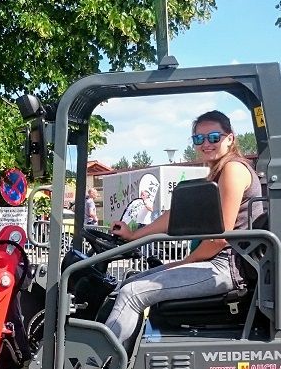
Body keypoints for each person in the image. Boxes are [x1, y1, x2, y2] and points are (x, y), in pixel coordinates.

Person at [104, 110, 260, 346]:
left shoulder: (233, 170)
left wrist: (184, 262)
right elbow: (175, 215)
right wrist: (134, 235)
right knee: (127, 283)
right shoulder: (215, 175)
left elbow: (220, 237)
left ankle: (97, 364)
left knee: (131, 293)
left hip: (226, 267)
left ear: (230, 138)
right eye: (199, 139)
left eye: (214, 137)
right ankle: (122, 360)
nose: (206, 144)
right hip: (215, 263)